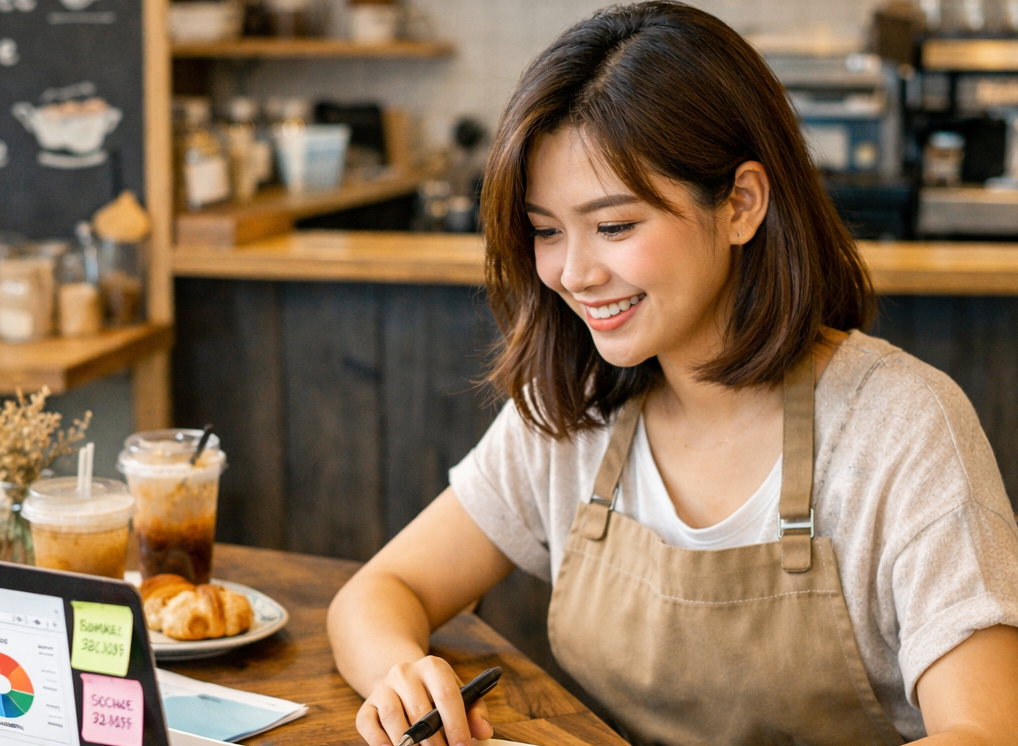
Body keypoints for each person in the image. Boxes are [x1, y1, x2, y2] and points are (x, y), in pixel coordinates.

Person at [327, 3, 1018, 745]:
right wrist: (402, 675)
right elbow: (376, 594)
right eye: (546, 231)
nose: (574, 272)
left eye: (616, 226)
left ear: (742, 205)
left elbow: (984, 731)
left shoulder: (901, 426)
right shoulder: (574, 408)